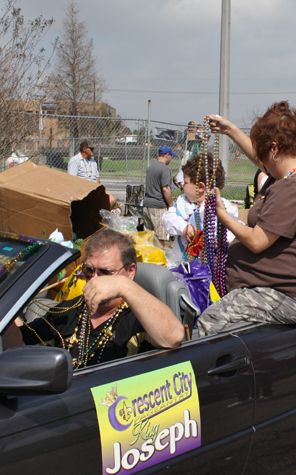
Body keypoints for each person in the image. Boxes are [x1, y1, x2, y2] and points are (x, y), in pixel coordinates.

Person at [198, 102, 296, 336]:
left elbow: (257, 241)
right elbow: (263, 160)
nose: (262, 163)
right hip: (284, 288)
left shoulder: (294, 187)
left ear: (274, 149)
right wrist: (229, 130)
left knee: (210, 321)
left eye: (264, 154)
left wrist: (222, 215)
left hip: (292, 296)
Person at [14, 229, 184, 367]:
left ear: (131, 271)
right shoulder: (68, 310)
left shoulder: (139, 315)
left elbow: (173, 337)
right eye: (89, 270)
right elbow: (16, 347)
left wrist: (123, 286)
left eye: (105, 272)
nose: (95, 279)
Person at [163, 152, 239, 261]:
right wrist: (183, 227)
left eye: (186, 182)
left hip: (210, 267)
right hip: (182, 263)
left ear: (200, 187)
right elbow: (168, 218)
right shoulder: (183, 202)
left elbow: (235, 229)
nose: (183, 185)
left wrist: (225, 240)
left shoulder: (223, 207)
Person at [143, 145, 177, 247]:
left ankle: (146, 260)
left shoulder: (150, 167)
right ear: (167, 155)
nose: (171, 159)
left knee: (147, 237)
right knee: (159, 238)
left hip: (147, 204)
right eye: (171, 156)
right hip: (158, 206)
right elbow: (165, 188)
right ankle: (158, 262)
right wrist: (170, 205)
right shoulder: (165, 169)